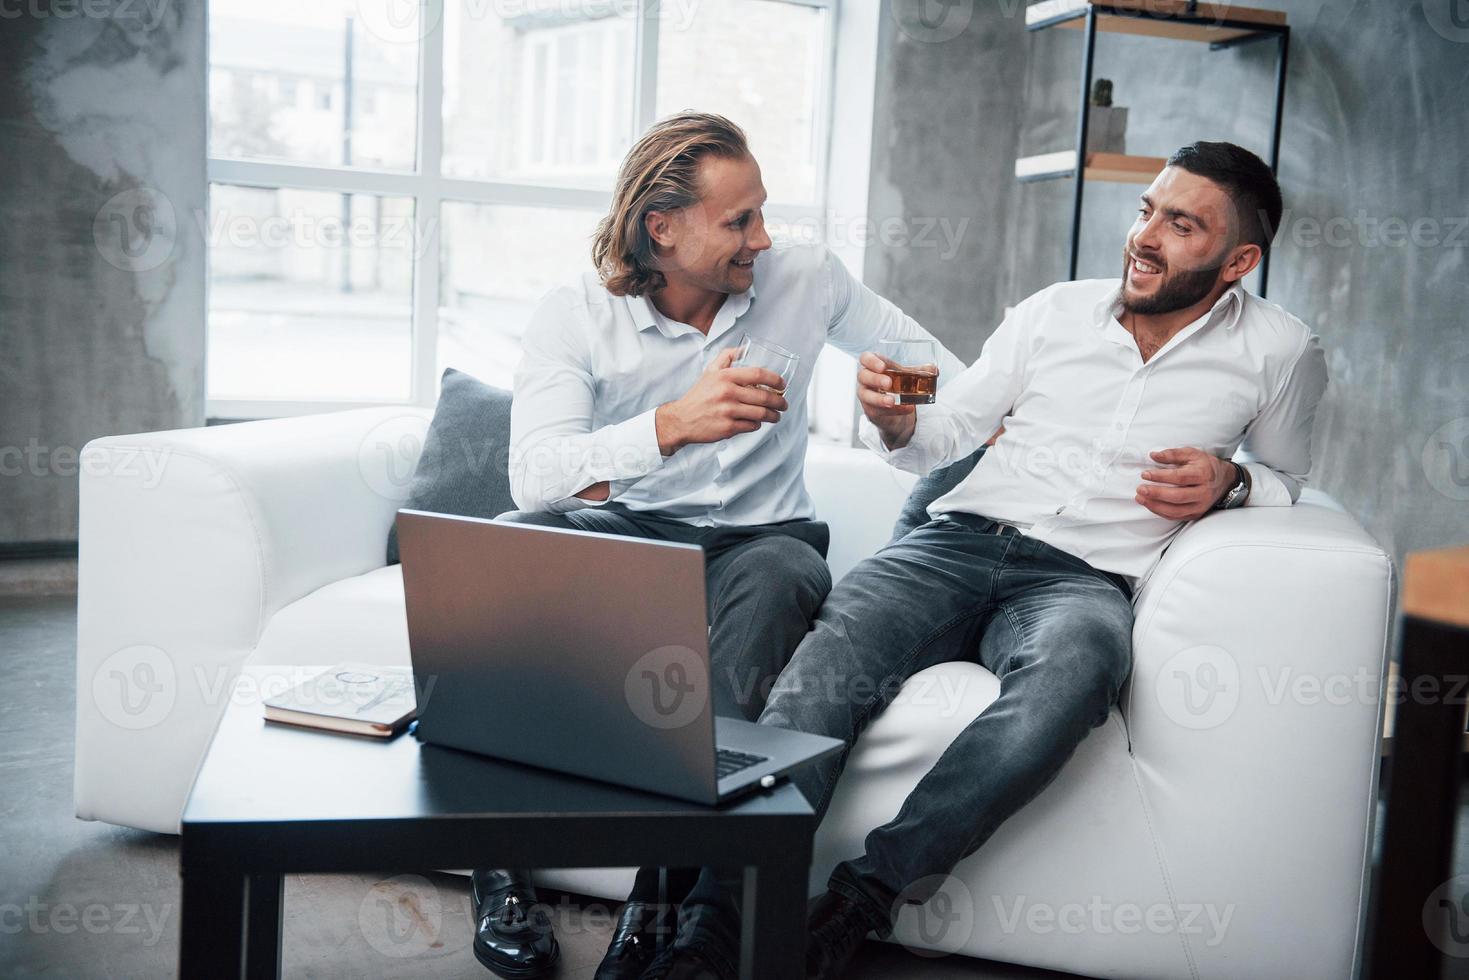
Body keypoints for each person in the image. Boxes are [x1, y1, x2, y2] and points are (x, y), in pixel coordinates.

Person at [647, 141, 1329, 980]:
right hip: (952, 544)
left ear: (1239, 260)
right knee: (820, 672)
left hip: (1083, 580)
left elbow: (1289, 479)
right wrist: (895, 424)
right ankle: (716, 927)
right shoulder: (1051, 313)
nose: (1144, 236)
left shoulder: (1281, 351)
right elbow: (944, 432)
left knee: (1081, 666)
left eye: (1180, 224)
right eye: (1146, 209)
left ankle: (859, 903)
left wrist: (1230, 480)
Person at [465, 111, 962, 980]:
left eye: (761, 212)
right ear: (661, 228)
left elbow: (935, 366)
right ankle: (498, 868)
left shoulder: (801, 277)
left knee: (785, 573)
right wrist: (668, 426)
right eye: (739, 221)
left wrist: (899, 401)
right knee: (511, 546)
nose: (762, 238)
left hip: (757, 540)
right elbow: (532, 475)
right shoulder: (576, 314)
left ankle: (659, 900)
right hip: (628, 530)